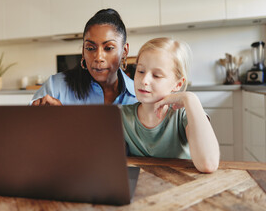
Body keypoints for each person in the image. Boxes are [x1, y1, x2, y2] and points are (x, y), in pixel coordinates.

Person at [122, 37, 220, 173]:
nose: (144, 80)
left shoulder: (184, 116)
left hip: (182, 186)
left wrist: (190, 98)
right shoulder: (121, 115)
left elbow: (208, 164)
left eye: (156, 75)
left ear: (178, 84)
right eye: (141, 71)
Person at [31, 9, 137, 105]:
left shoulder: (140, 95)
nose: (98, 57)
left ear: (124, 50)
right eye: (90, 48)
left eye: (108, 48)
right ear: (83, 51)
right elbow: (26, 123)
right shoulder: (55, 87)